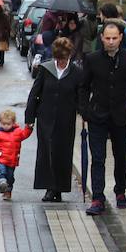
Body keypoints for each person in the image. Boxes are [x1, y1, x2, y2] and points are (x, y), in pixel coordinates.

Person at [79, 22, 126, 215]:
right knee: (98, 157)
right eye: (107, 38)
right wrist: (84, 110)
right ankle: (97, 197)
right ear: (101, 38)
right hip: (97, 114)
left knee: (121, 154)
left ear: (121, 37)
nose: (111, 42)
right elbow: (84, 87)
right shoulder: (92, 59)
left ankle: (120, 190)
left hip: (121, 115)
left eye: (114, 38)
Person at [24, 37, 82, 202]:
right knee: (47, 152)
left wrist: (85, 113)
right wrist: (30, 117)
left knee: (62, 153)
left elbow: (80, 96)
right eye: (59, 59)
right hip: (45, 117)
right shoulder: (46, 68)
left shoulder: (76, 72)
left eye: (64, 59)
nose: (61, 62)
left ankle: (60, 189)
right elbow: (35, 93)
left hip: (66, 119)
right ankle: (50, 188)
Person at [0, 110, 33, 201]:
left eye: (8, 124)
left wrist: (29, 128)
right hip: (1, 159)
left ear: (13, 123)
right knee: (2, 172)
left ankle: (7, 192)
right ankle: (2, 182)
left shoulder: (18, 132)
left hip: (12, 160)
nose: (6, 126)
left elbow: (25, 134)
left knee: (10, 177)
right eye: (4, 124)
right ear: (0, 123)